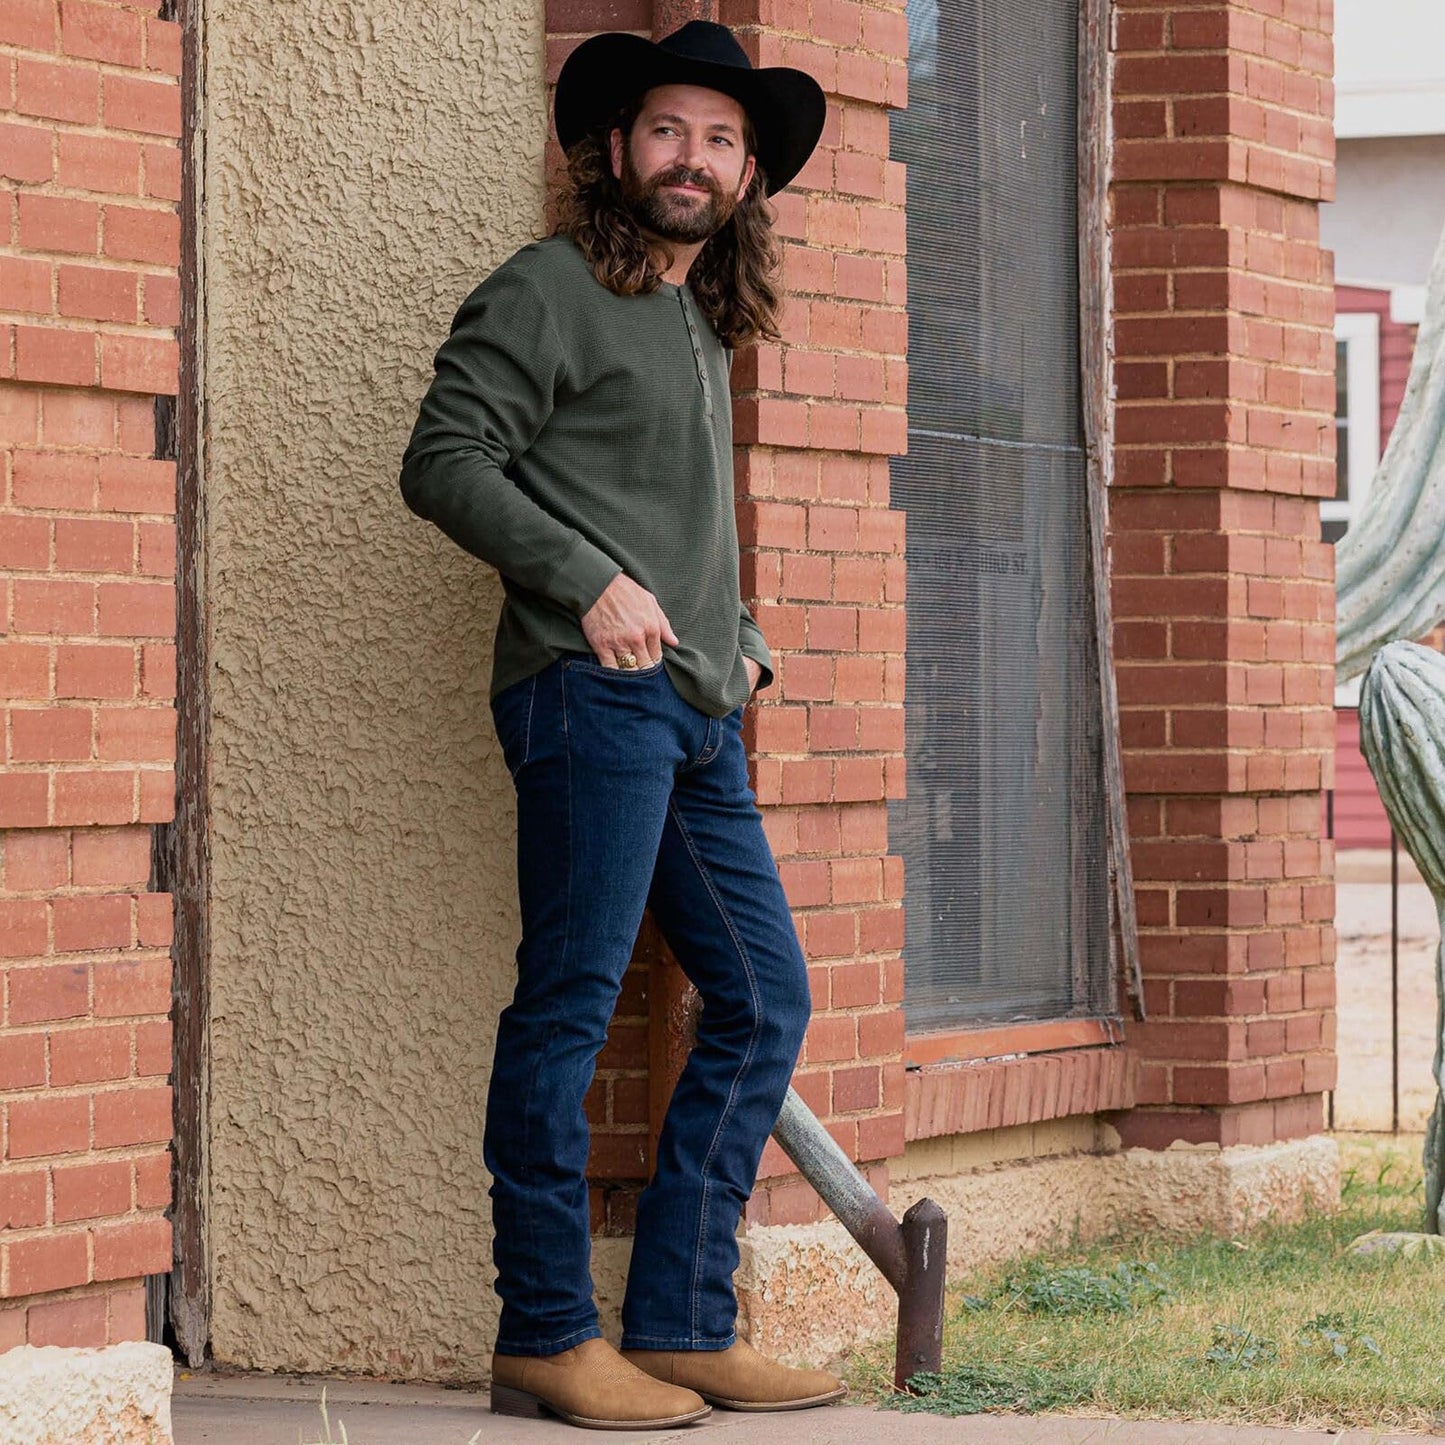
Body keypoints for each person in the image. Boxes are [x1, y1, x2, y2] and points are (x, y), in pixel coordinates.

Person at [400, 20, 845, 1431]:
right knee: (571, 1005)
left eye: (720, 140)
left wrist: (740, 639)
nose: (690, 159)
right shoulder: (549, 288)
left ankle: (682, 1324)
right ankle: (544, 1333)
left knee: (764, 999)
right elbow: (442, 461)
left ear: (747, 174)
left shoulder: (696, 315)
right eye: (667, 131)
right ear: (613, 149)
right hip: (586, 698)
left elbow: (670, 518)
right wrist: (584, 582)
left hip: (695, 714)